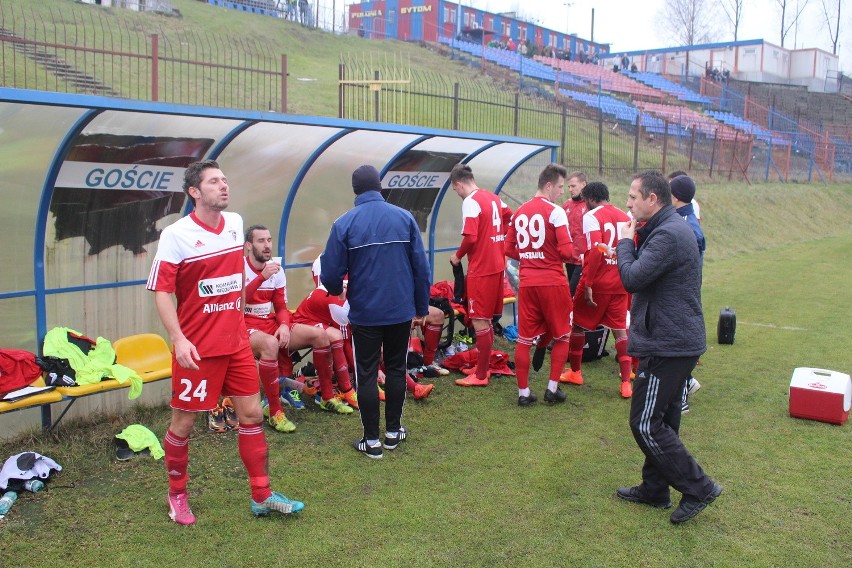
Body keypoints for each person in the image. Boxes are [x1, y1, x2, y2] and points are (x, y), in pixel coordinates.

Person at [147, 160, 303, 525]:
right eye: (214, 181)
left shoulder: (235, 224)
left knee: (250, 415)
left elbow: (235, 284)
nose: (224, 185)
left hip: (236, 345)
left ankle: (262, 496)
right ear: (195, 192)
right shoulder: (176, 234)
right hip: (198, 350)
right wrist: (178, 338)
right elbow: (162, 292)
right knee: (182, 426)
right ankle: (177, 496)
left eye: (225, 180)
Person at [615, 170, 721, 525]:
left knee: (644, 422)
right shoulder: (666, 228)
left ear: (652, 199)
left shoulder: (669, 234)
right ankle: (654, 489)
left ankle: (699, 486)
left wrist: (624, 243)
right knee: (664, 419)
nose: (627, 203)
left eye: (633, 197)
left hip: (668, 343)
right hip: (675, 338)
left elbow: (631, 278)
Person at [321, 165, 431, 459]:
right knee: (396, 368)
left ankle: (371, 441)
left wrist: (335, 288)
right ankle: (393, 433)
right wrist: (421, 308)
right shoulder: (405, 218)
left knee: (367, 373)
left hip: (366, 313)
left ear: (355, 191)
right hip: (400, 310)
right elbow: (421, 268)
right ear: (379, 187)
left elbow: (330, 272)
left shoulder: (343, 224)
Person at [243, 226, 355, 428]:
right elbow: (236, 303)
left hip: (269, 321)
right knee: (270, 345)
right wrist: (261, 278)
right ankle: (275, 411)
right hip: (243, 325)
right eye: (261, 241)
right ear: (248, 245)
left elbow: (280, 307)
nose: (267, 245)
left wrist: (285, 325)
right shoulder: (239, 268)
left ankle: (327, 398)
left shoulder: (276, 269)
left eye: (269, 240)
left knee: (321, 336)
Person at [504, 164, 574, 406]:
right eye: (560, 187)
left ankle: (524, 393)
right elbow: (566, 251)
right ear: (548, 186)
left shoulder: (519, 212)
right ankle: (552, 389)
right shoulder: (555, 212)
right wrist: (578, 256)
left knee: (524, 339)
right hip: (552, 282)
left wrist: (530, 256)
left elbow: (508, 249)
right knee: (563, 335)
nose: (562, 192)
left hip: (528, 283)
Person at [560, 182, 634, 398]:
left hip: (597, 281)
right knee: (620, 330)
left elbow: (594, 251)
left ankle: (575, 372)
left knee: (578, 326)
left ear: (590, 199)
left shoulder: (592, 216)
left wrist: (589, 283)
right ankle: (625, 384)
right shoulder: (625, 216)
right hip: (620, 282)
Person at [448, 163, 513, 387]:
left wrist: (457, 256)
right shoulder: (493, 198)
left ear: (458, 184)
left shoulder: (471, 202)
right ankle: (482, 367)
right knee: (484, 319)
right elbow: (509, 217)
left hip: (482, 269)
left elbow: (471, 237)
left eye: (455, 190)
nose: (457, 194)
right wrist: (500, 240)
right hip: (496, 267)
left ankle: (481, 375)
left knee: (479, 321)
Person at [669, 175, 705, 412]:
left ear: (675, 196)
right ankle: (687, 384)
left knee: (678, 342)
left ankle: (681, 397)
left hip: (682, 292)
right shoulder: (681, 218)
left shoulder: (688, 224)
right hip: (680, 290)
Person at [561, 171, 588, 295]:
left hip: (583, 259)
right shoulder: (566, 205)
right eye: (569, 187)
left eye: (573, 186)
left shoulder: (590, 205)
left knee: (572, 293)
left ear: (583, 184)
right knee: (572, 293)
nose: (570, 189)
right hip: (569, 257)